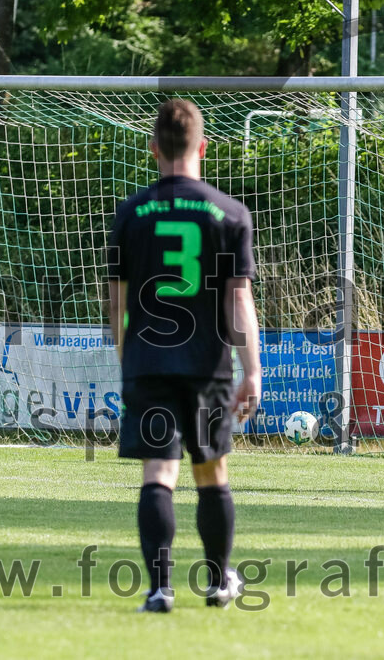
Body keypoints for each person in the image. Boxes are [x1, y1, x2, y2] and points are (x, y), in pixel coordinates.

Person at [107, 99, 261, 613]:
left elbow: (117, 304)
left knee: (158, 473)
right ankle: (218, 582)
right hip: (206, 366)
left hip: (148, 364)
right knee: (211, 471)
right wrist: (252, 370)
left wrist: (128, 361)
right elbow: (238, 300)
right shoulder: (231, 213)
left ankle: (159, 589)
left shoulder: (130, 213)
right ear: (204, 147)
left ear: (153, 148)